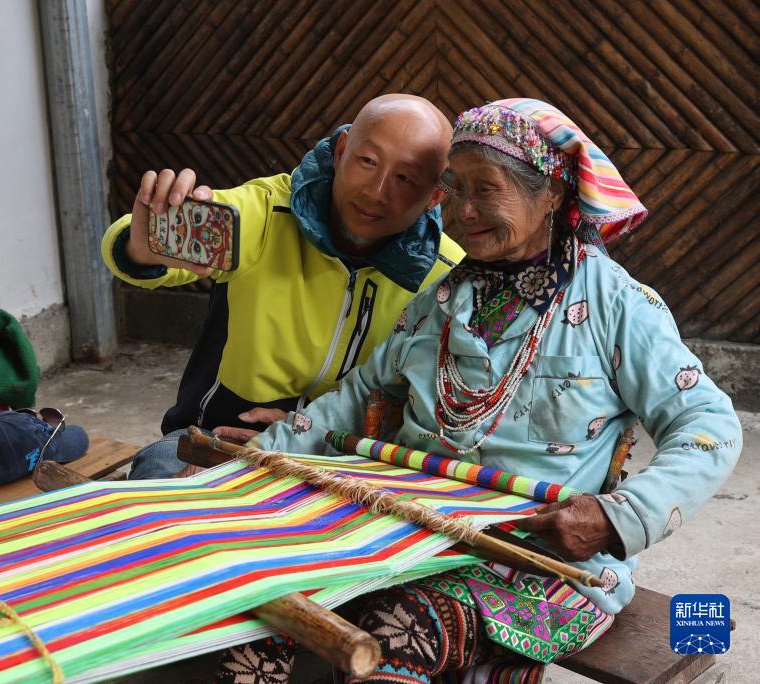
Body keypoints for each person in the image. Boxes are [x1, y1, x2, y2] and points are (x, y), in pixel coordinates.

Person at [214, 99, 742, 683]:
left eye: (486, 189)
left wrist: (619, 516)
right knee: (262, 612)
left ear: (551, 193)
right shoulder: (441, 300)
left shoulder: (616, 305)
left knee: (399, 631)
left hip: (541, 567)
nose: (463, 211)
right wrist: (259, 459)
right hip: (411, 539)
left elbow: (709, 424)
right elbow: (362, 393)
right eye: (455, 188)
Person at [102, 94, 465, 479]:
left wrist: (308, 432)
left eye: (405, 178)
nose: (376, 191)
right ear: (341, 150)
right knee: (160, 473)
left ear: (435, 195)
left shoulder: (446, 276)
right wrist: (143, 244)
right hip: (217, 435)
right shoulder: (266, 213)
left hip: (345, 455)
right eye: (367, 161)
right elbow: (144, 250)